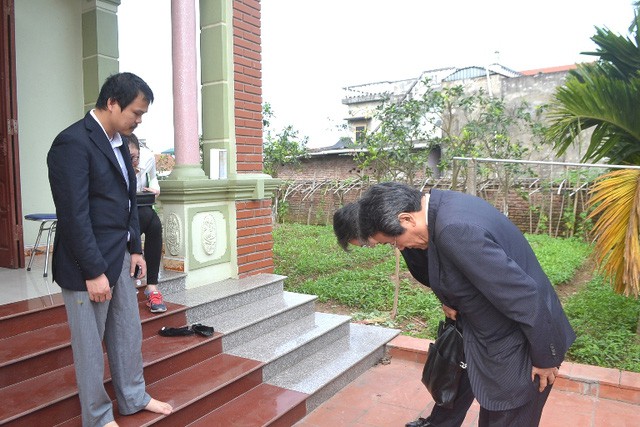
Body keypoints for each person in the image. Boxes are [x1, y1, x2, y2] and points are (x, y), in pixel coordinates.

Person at [350, 182, 576, 426]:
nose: (401, 248)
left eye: (394, 241)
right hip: (503, 340)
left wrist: (545, 358)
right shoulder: (444, 206)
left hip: (522, 350)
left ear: (406, 219)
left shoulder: (453, 229)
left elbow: (524, 296)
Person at [47, 72, 173, 426]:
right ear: (113, 103)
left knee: (128, 331)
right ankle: (99, 417)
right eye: (136, 112)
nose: (139, 120)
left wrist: (135, 248)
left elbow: (128, 200)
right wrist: (93, 271)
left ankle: (133, 397)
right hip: (85, 263)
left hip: (119, 254)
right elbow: (73, 214)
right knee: (90, 346)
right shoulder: (72, 143)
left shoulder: (120, 143)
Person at [333, 202, 474, 427]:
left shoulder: (424, 234)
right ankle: (440, 421)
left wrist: (454, 300)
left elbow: (460, 271)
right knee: (454, 368)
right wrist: (446, 300)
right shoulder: (403, 241)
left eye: (366, 243)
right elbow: (437, 275)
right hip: (457, 308)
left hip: (474, 310)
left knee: (464, 370)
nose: (371, 247)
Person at [126, 133, 166, 313]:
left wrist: (155, 189)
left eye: (135, 157)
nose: (133, 162)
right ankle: (130, 281)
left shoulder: (148, 157)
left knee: (154, 224)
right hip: (121, 211)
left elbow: (154, 177)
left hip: (141, 204)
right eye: (129, 158)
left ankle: (152, 287)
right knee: (145, 221)